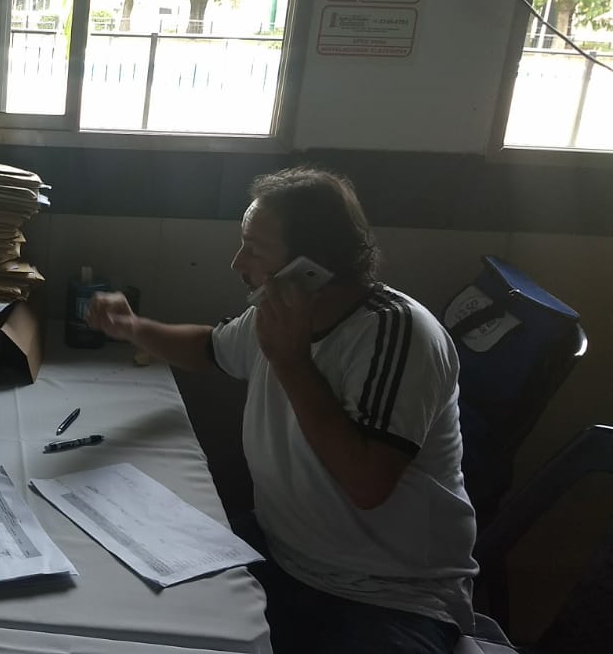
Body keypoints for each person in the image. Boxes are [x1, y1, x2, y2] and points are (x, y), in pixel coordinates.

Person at [86, 167, 477, 654]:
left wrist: (291, 361)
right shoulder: (278, 314)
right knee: (126, 606)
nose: (237, 263)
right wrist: (132, 327)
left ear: (310, 266)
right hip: (282, 551)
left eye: (253, 248)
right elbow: (210, 348)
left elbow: (367, 484)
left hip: (387, 593)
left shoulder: (398, 334)